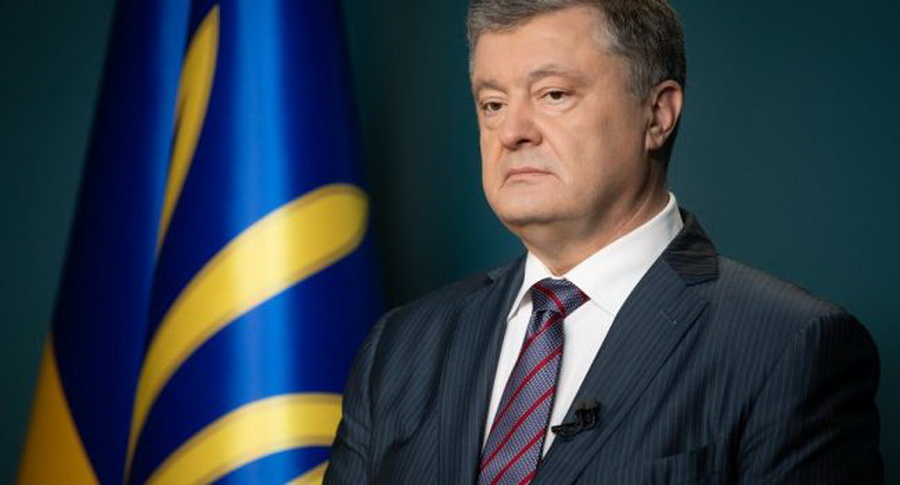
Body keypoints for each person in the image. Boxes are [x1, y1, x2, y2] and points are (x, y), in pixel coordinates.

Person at [325, 1, 883, 483]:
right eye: (492, 104)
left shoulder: (787, 347)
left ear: (657, 114)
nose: (512, 131)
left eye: (553, 94)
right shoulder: (398, 348)